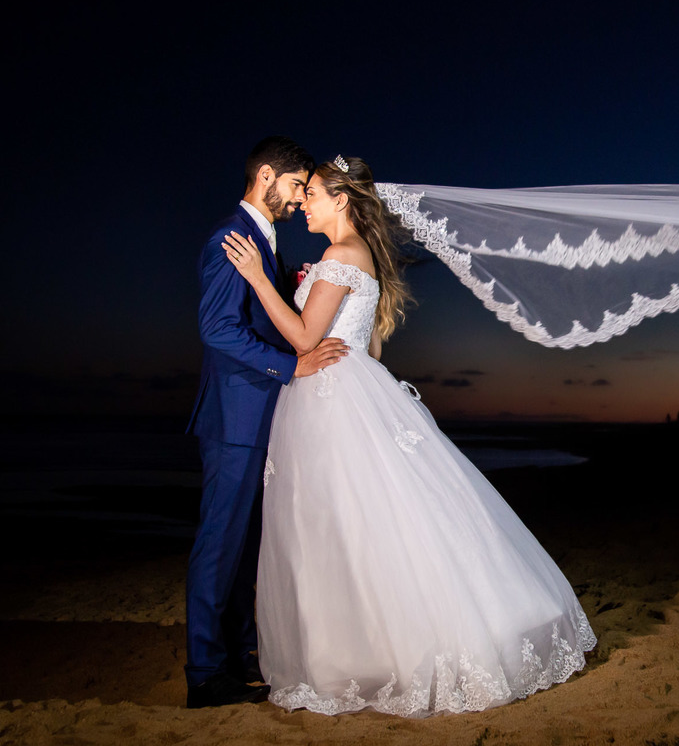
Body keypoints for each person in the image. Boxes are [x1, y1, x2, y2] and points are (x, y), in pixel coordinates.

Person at [222, 155, 596, 716]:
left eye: (314, 195)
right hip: (354, 388)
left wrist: (257, 277)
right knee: (373, 525)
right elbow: (370, 349)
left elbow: (303, 339)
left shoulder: (340, 255)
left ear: (342, 201)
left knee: (343, 528)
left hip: (329, 399)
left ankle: (357, 654)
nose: (303, 204)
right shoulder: (361, 258)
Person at [185, 137, 349, 709]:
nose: (302, 196)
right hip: (235, 418)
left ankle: (237, 657)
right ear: (265, 176)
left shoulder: (264, 242)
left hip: (261, 416)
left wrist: (289, 285)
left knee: (247, 546)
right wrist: (292, 364)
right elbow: (218, 329)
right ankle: (205, 673)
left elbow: (259, 313)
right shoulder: (231, 238)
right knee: (219, 544)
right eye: (297, 184)